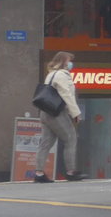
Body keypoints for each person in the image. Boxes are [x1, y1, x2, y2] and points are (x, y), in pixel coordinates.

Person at [34, 51, 86, 182]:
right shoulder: (63, 75)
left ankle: (39, 173)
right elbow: (66, 94)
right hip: (56, 113)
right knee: (71, 138)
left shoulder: (51, 74)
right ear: (63, 61)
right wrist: (76, 113)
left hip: (45, 112)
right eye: (69, 60)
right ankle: (71, 171)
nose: (70, 64)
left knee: (46, 142)